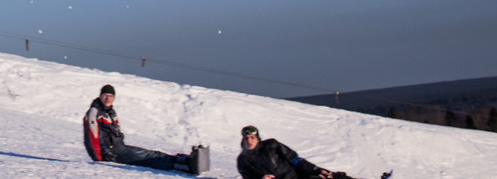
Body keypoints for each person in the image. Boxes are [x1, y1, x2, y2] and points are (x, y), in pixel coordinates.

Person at [83, 85, 204, 174]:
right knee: (147, 157)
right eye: (105, 95)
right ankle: (184, 165)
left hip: (118, 149)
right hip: (111, 154)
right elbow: (91, 138)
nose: (108, 98)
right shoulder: (95, 112)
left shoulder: (109, 112)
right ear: (100, 96)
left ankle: (183, 161)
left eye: (111, 96)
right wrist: (100, 159)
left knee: (149, 154)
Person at [237, 125, 377, 179]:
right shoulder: (243, 160)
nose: (249, 141)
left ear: (258, 138)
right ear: (243, 140)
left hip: (296, 175)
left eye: (252, 137)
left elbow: (294, 159)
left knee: (328, 176)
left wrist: (315, 169)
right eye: (246, 138)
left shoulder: (271, 145)